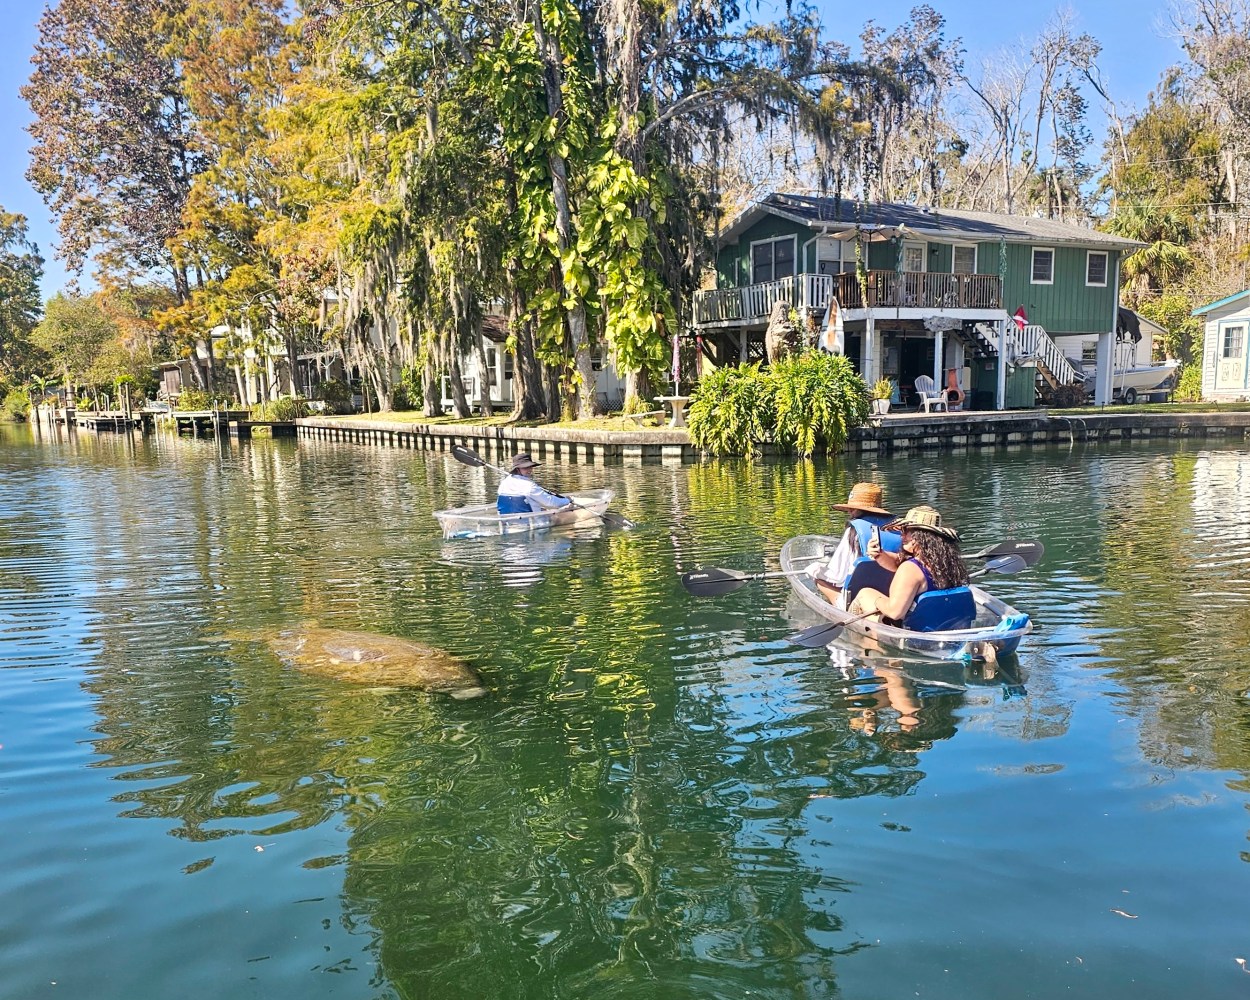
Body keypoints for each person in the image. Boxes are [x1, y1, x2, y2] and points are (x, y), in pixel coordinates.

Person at [849, 505, 974, 632]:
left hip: (912, 633)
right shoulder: (948, 565)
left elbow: (895, 612)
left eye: (906, 531)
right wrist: (880, 554)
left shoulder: (910, 569)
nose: (901, 536)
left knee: (865, 593)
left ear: (921, 536)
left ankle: (863, 640)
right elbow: (897, 561)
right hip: (941, 627)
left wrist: (877, 601)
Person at [809, 482, 904, 604]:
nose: (849, 511)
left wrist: (815, 571)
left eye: (852, 508)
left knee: (814, 571)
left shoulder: (853, 531)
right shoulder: (898, 528)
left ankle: (838, 604)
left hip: (858, 595)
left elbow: (837, 576)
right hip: (892, 592)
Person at [496, 453, 571, 515]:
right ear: (517, 469)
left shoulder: (504, 483)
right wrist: (568, 500)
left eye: (530, 467)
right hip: (534, 524)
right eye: (525, 467)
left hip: (509, 524)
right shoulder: (529, 486)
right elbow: (551, 503)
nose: (529, 470)